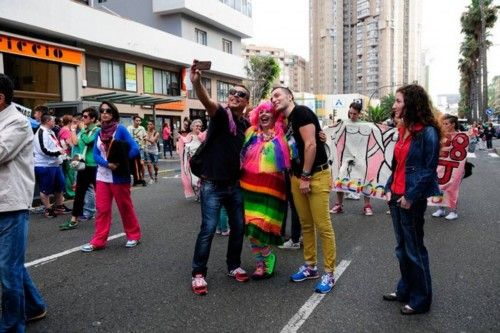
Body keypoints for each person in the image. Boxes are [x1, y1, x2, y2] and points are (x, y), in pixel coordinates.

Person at [189, 59, 251, 295]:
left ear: (247, 102)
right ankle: (198, 273)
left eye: (240, 94)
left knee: (238, 227)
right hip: (212, 185)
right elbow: (208, 102)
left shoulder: (245, 124)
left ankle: (233, 266)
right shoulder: (222, 116)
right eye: (232, 92)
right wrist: (197, 83)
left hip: (234, 185)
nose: (234, 95)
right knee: (208, 229)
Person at [271, 87, 337, 294]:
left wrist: (306, 176)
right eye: (271, 97)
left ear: (290, 96)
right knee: (307, 226)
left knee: (323, 225)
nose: (274, 99)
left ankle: (329, 273)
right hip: (297, 177)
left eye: (277, 95)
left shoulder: (301, 112)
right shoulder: (286, 121)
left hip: (314, 176)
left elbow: (310, 145)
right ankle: (311, 267)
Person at [384, 84, 441, 315]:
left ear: (411, 103)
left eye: (398, 101)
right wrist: (389, 188)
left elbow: (428, 169)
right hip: (396, 196)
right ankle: (405, 289)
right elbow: (397, 165)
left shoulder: (427, 132)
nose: (394, 105)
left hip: (411, 197)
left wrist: (410, 195)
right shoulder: (403, 130)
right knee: (401, 248)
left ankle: (422, 299)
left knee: (414, 249)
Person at [0, 74, 47, 332]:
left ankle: (11, 325)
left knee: (8, 268)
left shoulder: (17, 123)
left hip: (11, 204)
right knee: (8, 265)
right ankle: (35, 305)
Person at [81, 101, 142, 252]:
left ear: (113, 113)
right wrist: (107, 164)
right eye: (102, 111)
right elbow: (95, 154)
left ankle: (133, 235)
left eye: (108, 111)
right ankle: (98, 241)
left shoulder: (120, 129)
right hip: (102, 176)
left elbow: (135, 148)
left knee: (125, 207)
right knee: (101, 209)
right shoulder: (99, 132)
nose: (105, 113)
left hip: (119, 177)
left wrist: (121, 162)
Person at [240, 101, 290, 279]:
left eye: (267, 111)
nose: (263, 114)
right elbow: (240, 153)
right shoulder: (251, 132)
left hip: (270, 189)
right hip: (248, 187)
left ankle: (266, 258)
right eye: (260, 112)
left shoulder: (280, 133)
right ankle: (261, 261)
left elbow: (291, 153)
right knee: (251, 227)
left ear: (275, 115)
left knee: (261, 225)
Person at [59, 107, 100, 230]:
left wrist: (82, 129)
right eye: (82, 116)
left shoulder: (97, 130)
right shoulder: (83, 130)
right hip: (83, 166)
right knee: (79, 193)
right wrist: (72, 130)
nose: (83, 118)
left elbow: (88, 141)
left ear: (93, 118)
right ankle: (73, 220)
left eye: (86, 116)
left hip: (94, 166)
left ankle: (104, 216)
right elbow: (76, 143)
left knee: (101, 193)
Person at [330, 102, 374, 215]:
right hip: (346, 156)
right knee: (340, 178)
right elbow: (333, 133)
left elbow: (377, 135)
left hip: (361, 156)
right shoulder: (344, 123)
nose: (352, 116)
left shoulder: (366, 125)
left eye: (354, 114)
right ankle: (339, 205)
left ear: (359, 113)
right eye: (350, 113)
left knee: (365, 180)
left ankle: (367, 206)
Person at [33, 113, 72, 218]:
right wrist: (59, 152)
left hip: (54, 163)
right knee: (45, 189)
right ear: (47, 121)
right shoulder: (41, 132)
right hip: (44, 165)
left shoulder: (50, 132)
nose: (55, 122)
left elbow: (56, 145)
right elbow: (44, 150)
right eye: (53, 120)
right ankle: (48, 209)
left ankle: (59, 206)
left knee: (60, 186)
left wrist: (62, 151)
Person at [432, 114, 464, 221]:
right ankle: (440, 209)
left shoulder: (461, 137)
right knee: (438, 188)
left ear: (453, 124)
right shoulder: (441, 135)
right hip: (440, 166)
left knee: (452, 189)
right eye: (443, 123)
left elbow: (463, 154)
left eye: (446, 124)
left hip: (455, 167)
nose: (444, 126)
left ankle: (453, 211)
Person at [177, 119, 206, 199]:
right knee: (192, 181)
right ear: (192, 127)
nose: (199, 127)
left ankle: (201, 194)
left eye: (200, 126)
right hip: (191, 162)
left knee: (200, 179)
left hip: (201, 162)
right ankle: (198, 193)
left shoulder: (203, 135)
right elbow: (183, 143)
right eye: (197, 126)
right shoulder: (188, 136)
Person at [58, 115, 76, 198]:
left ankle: (68, 191)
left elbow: (62, 142)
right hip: (68, 155)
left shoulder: (62, 129)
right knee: (70, 174)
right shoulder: (67, 130)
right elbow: (70, 143)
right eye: (73, 122)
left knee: (67, 174)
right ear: (69, 122)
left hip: (64, 154)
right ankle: (71, 192)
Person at [128, 115, 147, 186]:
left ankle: (142, 179)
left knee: (141, 164)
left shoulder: (142, 128)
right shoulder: (129, 128)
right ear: (133, 121)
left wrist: (144, 144)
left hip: (140, 148)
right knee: (133, 165)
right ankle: (136, 179)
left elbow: (145, 137)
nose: (138, 122)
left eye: (139, 121)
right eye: (137, 120)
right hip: (132, 149)